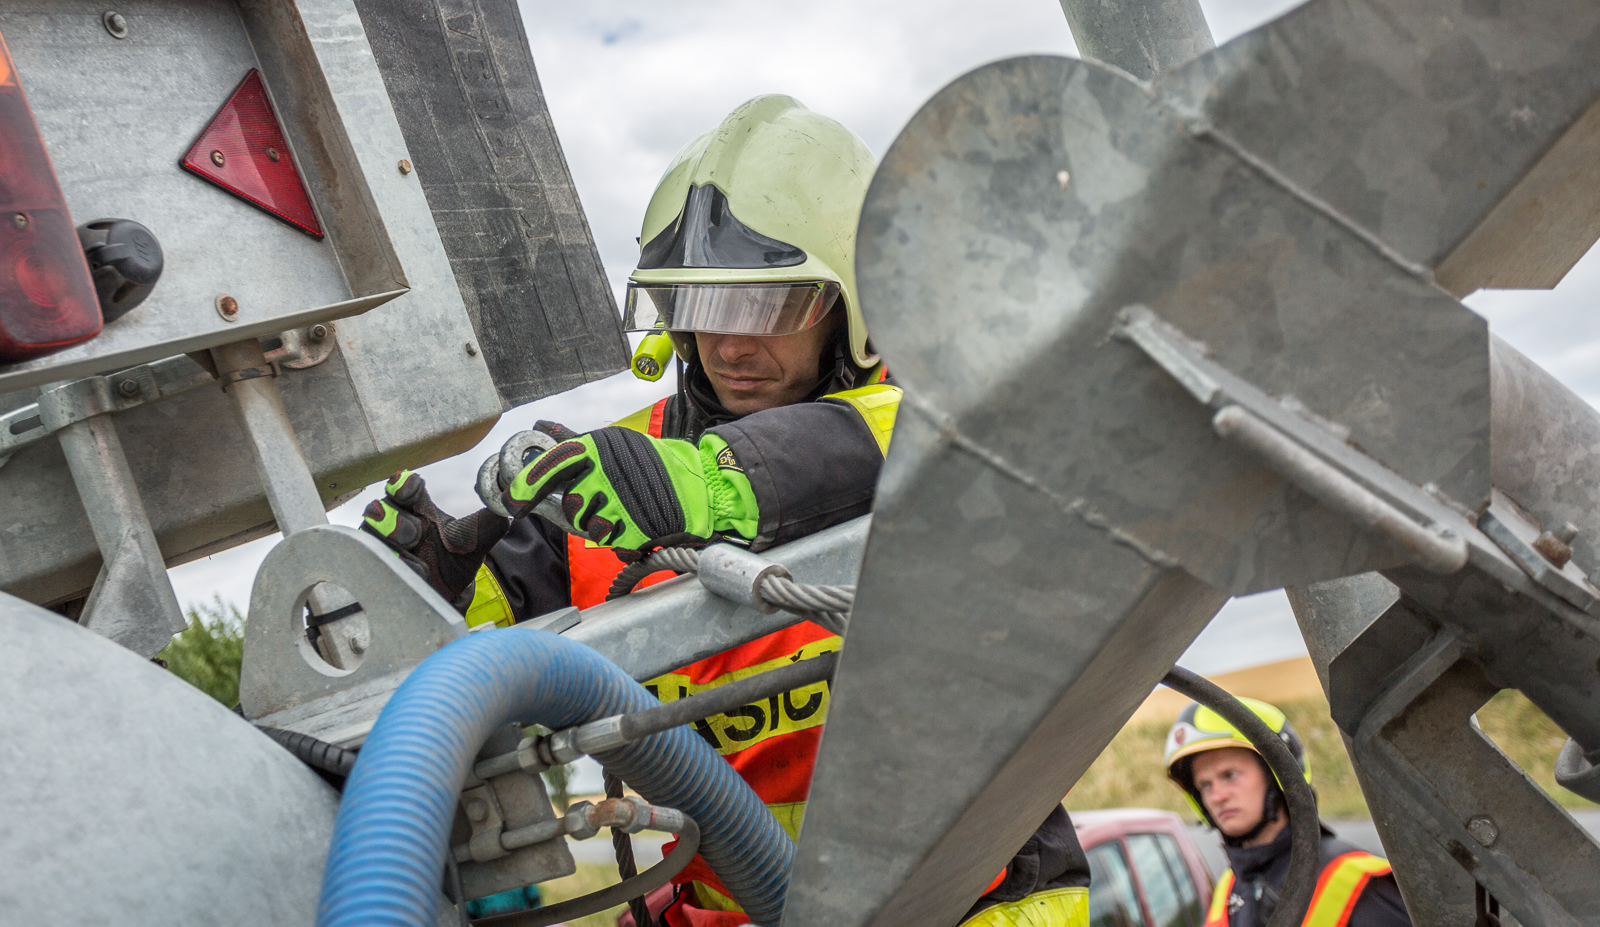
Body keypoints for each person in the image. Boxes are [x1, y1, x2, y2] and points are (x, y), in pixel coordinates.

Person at [363, 94, 1090, 927]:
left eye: (767, 307)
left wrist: (698, 485)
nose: (731, 345)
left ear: (854, 308)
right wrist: (425, 586)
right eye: (704, 307)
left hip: (972, 903)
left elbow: (853, 447)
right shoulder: (622, 472)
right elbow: (464, 648)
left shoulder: (942, 421)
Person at [1163, 698, 1411, 927]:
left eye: (1230, 775)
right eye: (1205, 785)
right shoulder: (1228, 890)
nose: (1217, 796)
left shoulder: (1358, 885)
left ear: (1280, 773)